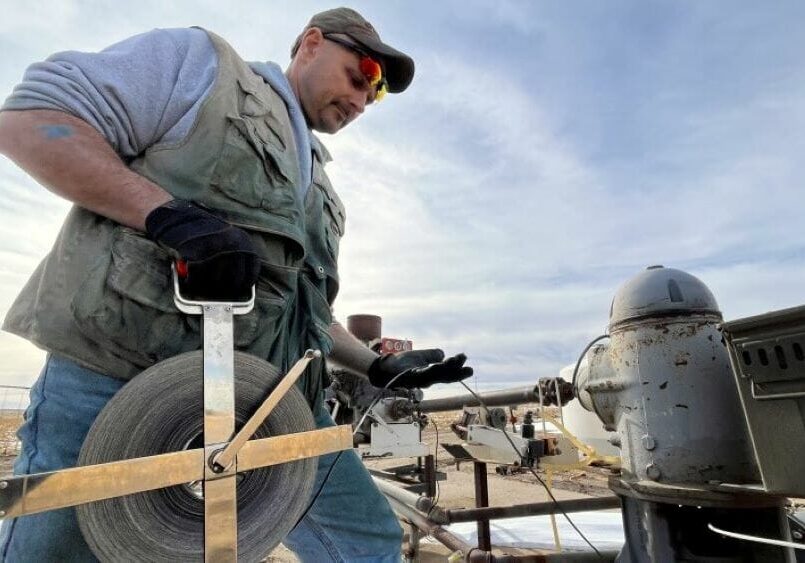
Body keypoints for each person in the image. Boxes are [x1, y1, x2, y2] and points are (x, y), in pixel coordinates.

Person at [0, 8, 472, 562]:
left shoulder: (321, 186)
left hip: (274, 402)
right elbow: (31, 119)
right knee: (58, 550)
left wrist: (373, 365)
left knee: (365, 540)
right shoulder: (205, 70)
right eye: (361, 72)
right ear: (312, 44)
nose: (364, 98)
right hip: (121, 377)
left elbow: (305, 311)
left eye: (378, 92)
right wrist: (163, 215)